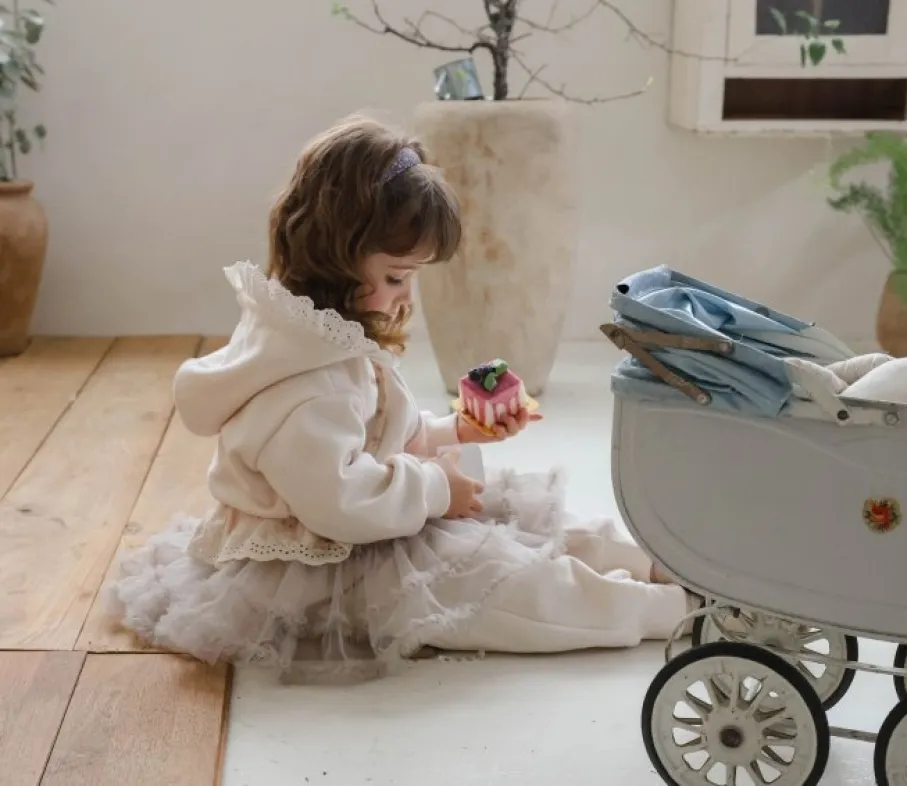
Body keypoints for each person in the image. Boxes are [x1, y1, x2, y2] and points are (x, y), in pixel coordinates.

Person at [105, 115, 695, 682]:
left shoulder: (324, 342)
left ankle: (671, 565)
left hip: (375, 519)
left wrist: (454, 431)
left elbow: (380, 437)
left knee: (522, 516)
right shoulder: (304, 386)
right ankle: (673, 612)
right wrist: (437, 487)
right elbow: (339, 502)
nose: (406, 295)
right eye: (395, 277)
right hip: (326, 558)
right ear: (333, 257)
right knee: (502, 587)